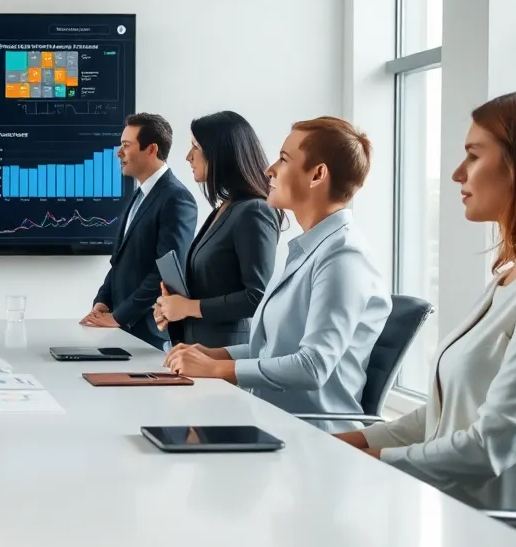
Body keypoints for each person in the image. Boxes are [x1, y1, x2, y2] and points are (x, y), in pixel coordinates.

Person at [337, 89, 516, 547]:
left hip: (512, 546)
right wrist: (352, 441)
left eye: (473, 155)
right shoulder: (511, 275)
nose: (457, 173)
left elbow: (492, 444)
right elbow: (444, 413)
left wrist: (374, 461)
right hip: (450, 518)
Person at [164, 116, 391, 430]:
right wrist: (216, 354)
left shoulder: (343, 256)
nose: (269, 169)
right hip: (269, 419)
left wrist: (219, 370)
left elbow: (312, 366)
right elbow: (274, 349)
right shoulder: (310, 249)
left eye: (284, 159)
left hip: (308, 434)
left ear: (317, 175)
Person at [154, 111, 281, 348]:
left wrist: (188, 307)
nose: (188, 156)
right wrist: (172, 308)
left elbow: (257, 297)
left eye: (195, 147)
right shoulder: (226, 207)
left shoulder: (254, 211)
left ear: (220, 154)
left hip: (225, 354)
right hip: (195, 350)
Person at [83, 113, 197, 349]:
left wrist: (118, 316)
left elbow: (165, 272)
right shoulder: (140, 194)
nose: (119, 152)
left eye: (126, 145)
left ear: (151, 149)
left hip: (149, 335)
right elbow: (120, 261)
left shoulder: (176, 198)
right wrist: (103, 301)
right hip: (123, 331)